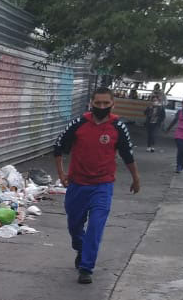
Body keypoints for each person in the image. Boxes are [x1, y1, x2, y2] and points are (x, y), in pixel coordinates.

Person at [53, 87, 141, 285]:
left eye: (106, 103)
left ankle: (86, 268)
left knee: (96, 226)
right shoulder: (78, 123)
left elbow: (128, 155)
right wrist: (62, 174)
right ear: (91, 103)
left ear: (112, 104)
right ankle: (80, 247)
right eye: (98, 103)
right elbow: (58, 148)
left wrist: (136, 178)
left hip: (103, 185)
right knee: (74, 225)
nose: (101, 107)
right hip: (77, 184)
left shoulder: (118, 126)